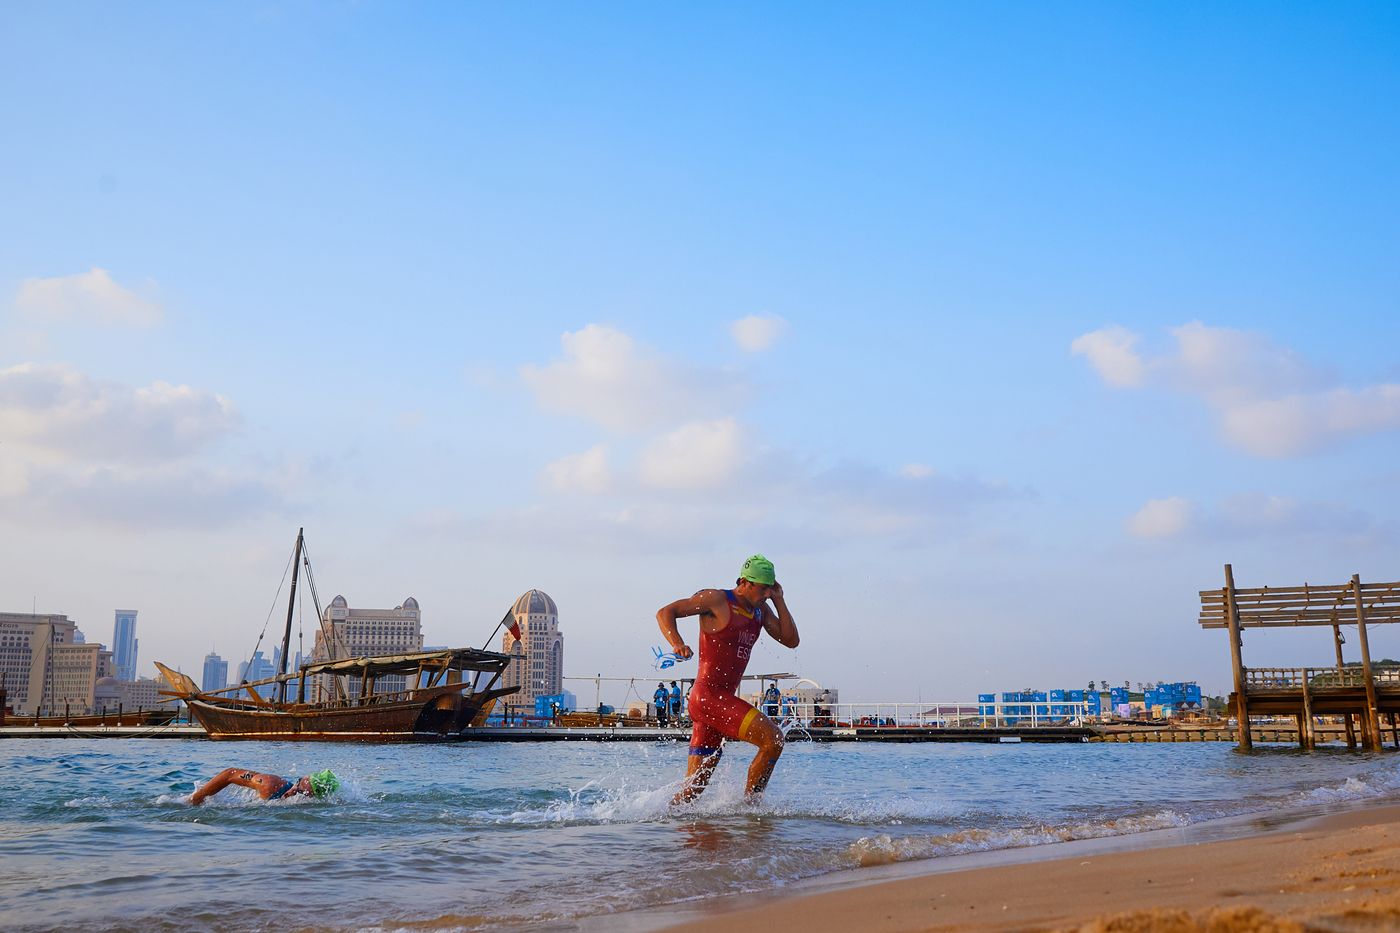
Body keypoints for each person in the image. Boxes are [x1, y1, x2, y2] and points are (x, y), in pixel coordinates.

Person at [655, 554, 799, 803]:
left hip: (717, 703)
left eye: (770, 589)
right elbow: (666, 612)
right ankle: (751, 810)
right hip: (709, 697)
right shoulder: (716, 599)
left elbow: (791, 640)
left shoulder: (760, 611)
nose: (766, 594)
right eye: (763, 589)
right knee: (773, 739)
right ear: (745, 582)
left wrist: (779, 600)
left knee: (693, 790)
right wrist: (677, 643)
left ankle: (664, 826)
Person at [190, 767, 339, 805]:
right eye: (296, 789)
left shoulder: (272, 784)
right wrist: (198, 797)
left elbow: (230, 773)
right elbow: (229, 774)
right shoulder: (269, 783)